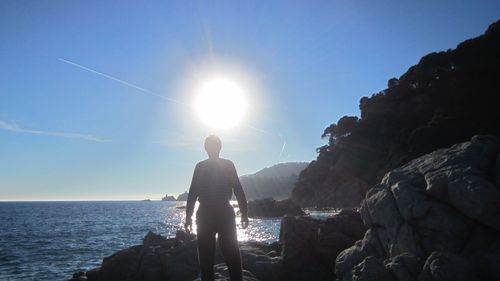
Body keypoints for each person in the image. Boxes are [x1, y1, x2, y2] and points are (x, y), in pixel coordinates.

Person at [184, 135, 249, 281]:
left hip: (210, 213)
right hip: (220, 213)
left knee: (212, 256)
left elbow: (193, 193)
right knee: (228, 253)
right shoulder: (224, 165)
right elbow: (238, 189)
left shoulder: (202, 166)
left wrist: (188, 217)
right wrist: (244, 213)